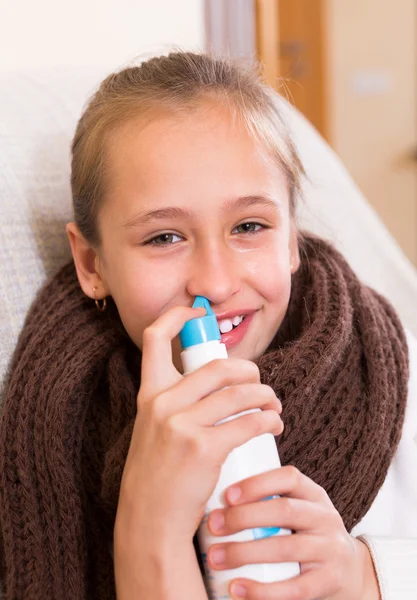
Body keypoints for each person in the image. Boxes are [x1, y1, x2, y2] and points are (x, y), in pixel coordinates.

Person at [0, 51, 416, 600]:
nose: (216, 285)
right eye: (164, 238)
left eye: (249, 225)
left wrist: (369, 574)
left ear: (292, 238)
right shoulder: (42, 434)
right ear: (92, 265)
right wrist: (148, 529)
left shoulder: (392, 380)